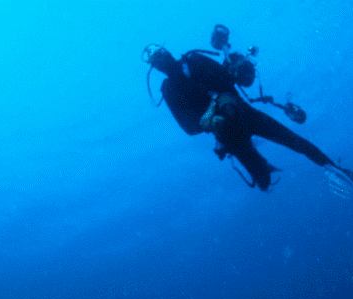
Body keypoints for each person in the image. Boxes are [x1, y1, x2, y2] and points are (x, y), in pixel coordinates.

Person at [142, 25, 352, 192]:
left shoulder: (194, 59)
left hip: (242, 113)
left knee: (296, 142)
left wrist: (234, 65)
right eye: (156, 60)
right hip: (226, 132)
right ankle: (319, 170)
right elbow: (188, 127)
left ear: (167, 51)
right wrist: (209, 119)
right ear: (156, 68)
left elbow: (228, 78)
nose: (161, 60)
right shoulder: (169, 89)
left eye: (160, 53)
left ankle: (335, 169)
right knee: (264, 181)